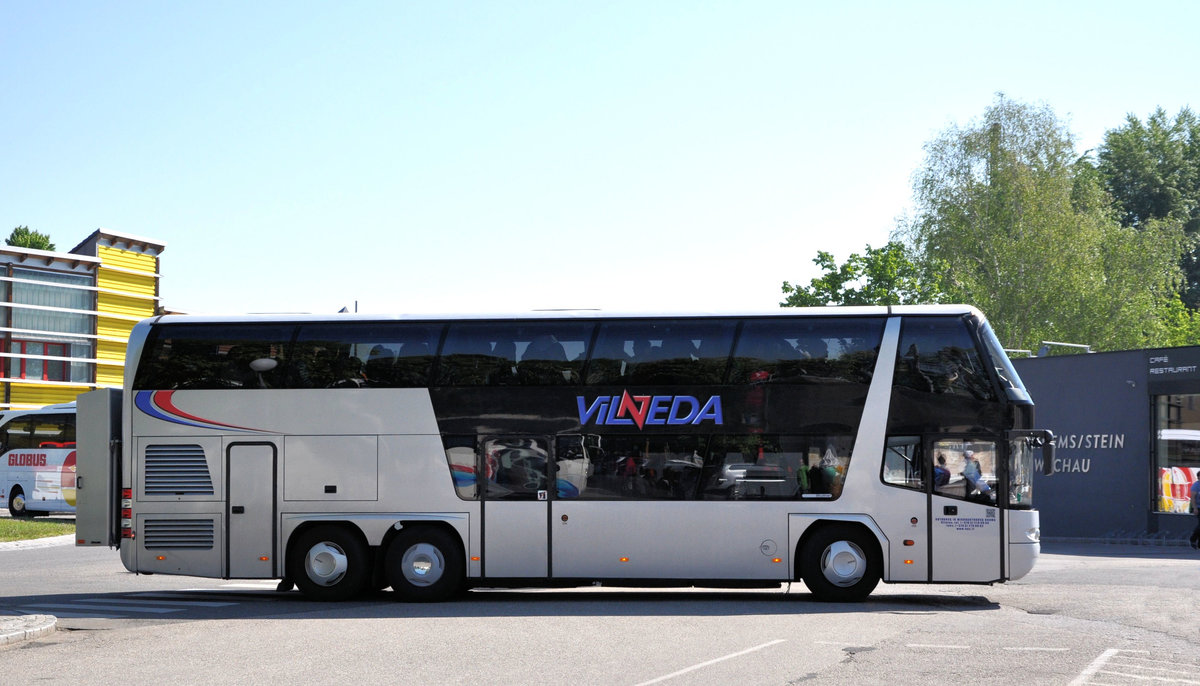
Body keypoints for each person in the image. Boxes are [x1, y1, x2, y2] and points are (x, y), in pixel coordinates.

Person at [1190, 477, 1200, 550]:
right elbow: (1193, 498)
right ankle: (1193, 538)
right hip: (1198, 507)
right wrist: (1195, 508)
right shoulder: (1196, 485)